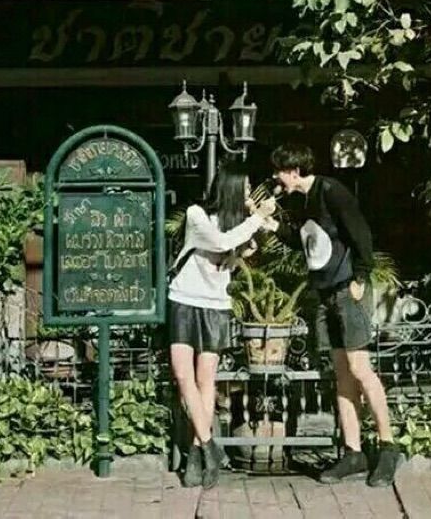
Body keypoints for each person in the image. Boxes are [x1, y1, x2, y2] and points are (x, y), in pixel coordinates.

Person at [265, 144, 400, 487]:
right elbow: (305, 243)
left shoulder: (331, 191)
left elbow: (360, 232)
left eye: (279, 171)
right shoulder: (303, 201)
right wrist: (270, 224)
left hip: (347, 289)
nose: (276, 178)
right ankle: (353, 452)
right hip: (326, 293)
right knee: (342, 374)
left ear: (294, 171)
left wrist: (361, 277)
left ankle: (388, 447)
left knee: (360, 369)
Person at [168, 159, 276, 489]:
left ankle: (197, 453)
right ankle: (209, 444)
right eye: (246, 188)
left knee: (206, 379)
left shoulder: (240, 224)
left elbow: (244, 246)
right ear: (231, 187)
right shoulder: (197, 215)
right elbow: (218, 242)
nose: (249, 193)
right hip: (184, 299)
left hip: (215, 306)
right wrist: (255, 219)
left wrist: (256, 225)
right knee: (182, 375)